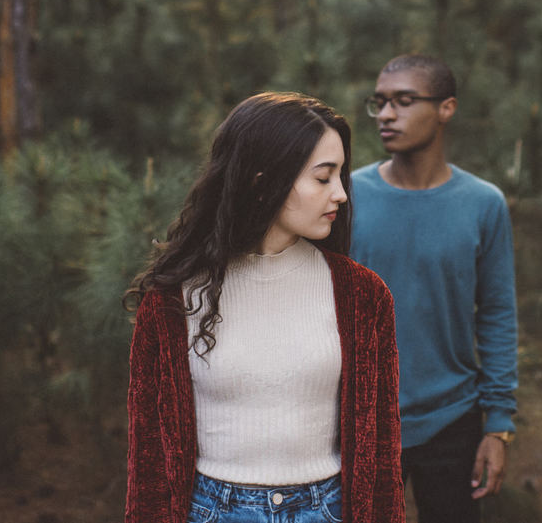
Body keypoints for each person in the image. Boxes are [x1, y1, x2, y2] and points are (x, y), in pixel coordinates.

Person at [124, 92, 405, 523]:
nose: (342, 194)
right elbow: (149, 460)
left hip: (327, 511)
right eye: (323, 178)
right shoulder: (171, 302)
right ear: (262, 181)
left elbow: (381, 452)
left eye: (341, 176)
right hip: (211, 512)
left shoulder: (363, 297)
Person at [350, 54, 519, 523]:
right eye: (379, 103)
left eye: (403, 101)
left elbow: (497, 314)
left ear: (446, 108)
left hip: (452, 420)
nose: (386, 115)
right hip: (361, 419)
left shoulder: (483, 205)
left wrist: (499, 425)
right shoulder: (346, 195)